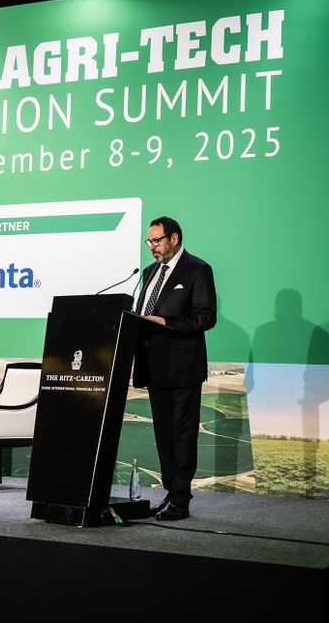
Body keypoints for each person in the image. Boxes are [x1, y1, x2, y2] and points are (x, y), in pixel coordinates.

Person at [132, 216, 217, 520]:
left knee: (182, 435)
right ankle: (171, 493)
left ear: (174, 238)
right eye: (149, 241)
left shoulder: (197, 269)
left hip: (182, 368)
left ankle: (181, 499)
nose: (152, 246)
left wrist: (167, 322)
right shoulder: (149, 272)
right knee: (164, 435)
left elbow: (206, 317)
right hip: (153, 367)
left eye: (157, 240)